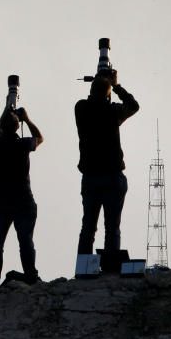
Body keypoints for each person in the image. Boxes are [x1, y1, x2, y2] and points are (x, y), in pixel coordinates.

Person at [75, 70, 138, 256]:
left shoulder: (81, 109)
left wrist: (101, 84)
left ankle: (84, 267)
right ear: (108, 94)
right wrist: (116, 86)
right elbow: (133, 106)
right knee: (112, 227)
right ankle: (110, 264)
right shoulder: (112, 112)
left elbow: (92, 102)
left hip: (91, 177)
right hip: (112, 176)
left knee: (88, 227)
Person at [0, 108, 44, 287]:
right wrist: (27, 118)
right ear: (17, 127)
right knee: (25, 241)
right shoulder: (22, 144)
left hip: (1, 201)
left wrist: (6, 108)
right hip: (23, 200)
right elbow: (39, 138)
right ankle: (31, 275)